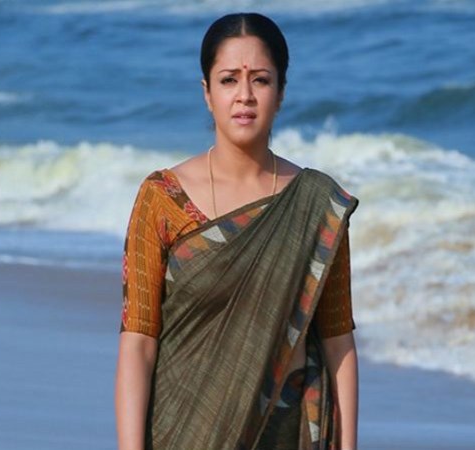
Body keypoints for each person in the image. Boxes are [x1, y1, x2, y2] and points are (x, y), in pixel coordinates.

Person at [114, 12, 359, 450]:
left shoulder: (316, 204)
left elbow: (338, 341)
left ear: (281, 93)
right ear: (207, 93)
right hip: (183, 433)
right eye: (229, 80)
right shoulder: (163, 199)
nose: (244, 95)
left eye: (260, 80)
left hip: (286, 433)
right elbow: (138, 342)